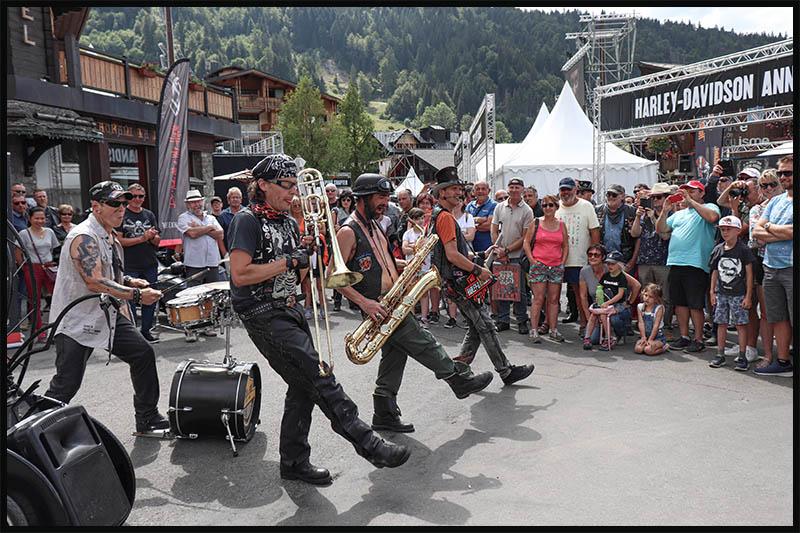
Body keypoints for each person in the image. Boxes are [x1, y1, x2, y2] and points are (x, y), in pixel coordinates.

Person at [228, 155, 411, 485]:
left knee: (302, 386)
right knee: (319, 376)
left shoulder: (285, 221)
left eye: (294, 186)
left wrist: (310, 253)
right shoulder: (247, 220)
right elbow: (240, 275)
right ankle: (368, 442)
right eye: (286, 186)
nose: (292, 193)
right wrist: (289, 261)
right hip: (261, 312)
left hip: (289, 307)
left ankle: (294, 461)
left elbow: (297, 275)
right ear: (264, 185)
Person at [336, 172, 494, 433]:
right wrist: (365, 304)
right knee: (422, 339)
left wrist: (409, 264)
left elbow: (382, 261)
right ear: (362, 198)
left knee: (395, 355)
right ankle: (457, 378)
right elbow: (336, 278)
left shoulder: (376, 225)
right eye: (380, 196)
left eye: (387, 197)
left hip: (391, 299)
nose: (385, 202)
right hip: (377, 305)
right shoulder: (347, 231)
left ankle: (384, 412)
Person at [44, 180, 168, 434]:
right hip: (76, 320)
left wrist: (131, 281)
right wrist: (135, 294)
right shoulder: (84, 236)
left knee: (143, 353)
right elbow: (94, 280)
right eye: (114, 203)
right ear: (96, 206)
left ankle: (147, 418)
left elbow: (107, 274)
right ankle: (31, 432)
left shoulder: (109, 234)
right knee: (65, 386)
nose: (121, 208)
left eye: (124, 202)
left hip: (105, 315)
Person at [428, 167, 534, 385]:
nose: (459, 193)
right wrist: (479, 270)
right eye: (454, 189)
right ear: (442, 193)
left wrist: (475, 255)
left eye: (460, 189)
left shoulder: (439, 215)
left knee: (477, 327)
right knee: (484, 324)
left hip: (453, 281)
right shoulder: (446, 217)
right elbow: (452, 255)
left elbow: (453, 252)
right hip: (459, 281)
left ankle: (460, 369)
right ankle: (505, 371)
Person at [656, 180, 721, 354]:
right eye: (685, 191)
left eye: (692, 191)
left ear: (701, 193)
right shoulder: (679, 214)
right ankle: (684, 337)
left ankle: (698, 339)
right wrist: (665, 210)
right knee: (680, 304)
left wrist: (691, 201)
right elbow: (661, 229)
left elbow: (713, 218)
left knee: (695, 304)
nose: (687, 194)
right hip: (676, 262)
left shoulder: (710, 206)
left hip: (696, 263)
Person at [737, 169, 784, 368]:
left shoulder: (786, 204)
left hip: (782, 263)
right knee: (761, 310)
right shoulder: (757, 209)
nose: (769, 188)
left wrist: (769, 231)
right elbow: (755, 239)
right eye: (764, 185)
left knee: (781, 312)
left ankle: (780, 354)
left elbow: (762, 234)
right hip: (761, 262)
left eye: (773, 184)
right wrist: (784, 233)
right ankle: (765, 354)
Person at [752, 155, 793, 377]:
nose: (783, 177)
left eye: (788, 173)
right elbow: (756, 233)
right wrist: (778, 230)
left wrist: (769, 229)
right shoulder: (776, 201)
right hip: (771, 267)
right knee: (778, 317)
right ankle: (783, 360)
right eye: (781, 173)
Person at [707, 216, 754, 370]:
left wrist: (748, 295)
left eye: (729, 229)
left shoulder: (743, 250)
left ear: (738, 231)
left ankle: (742, 356)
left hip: (738, 293)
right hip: (721, 293)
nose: (725, 232)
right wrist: (712, 291)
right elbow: (714, 271)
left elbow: (749, 273)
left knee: (741, 324)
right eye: (722, 229)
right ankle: (720, 354)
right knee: (721, 323)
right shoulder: (718, 249)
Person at [117, 183, 160, 344]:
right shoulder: (122, 213)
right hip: (130, 264)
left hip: (149, 263)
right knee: (130, 300)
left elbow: (157, 241)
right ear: (129, 197)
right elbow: (119, 241)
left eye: (140, 196)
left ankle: (146, 331)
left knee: (151, 298)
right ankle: (132, 334)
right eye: (134, 196)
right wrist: (142, 238)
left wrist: (152, 237)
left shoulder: (149, 214)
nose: (137, 199)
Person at [491, 177, 534, 334]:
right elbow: (494, 228)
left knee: (520, 290)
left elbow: (525, 236)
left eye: (517, 187)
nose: (514, 189)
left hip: (516, 255)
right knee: (502, 289)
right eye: (512, 186)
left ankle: (522, 320)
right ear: (508, 189)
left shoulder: (527, 210)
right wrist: (498, 250)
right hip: (500, 255)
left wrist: (507, 250)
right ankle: (503, 320)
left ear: (522, 189)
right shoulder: (499, 207)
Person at [556, 177, 600, 330]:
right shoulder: (555, 206)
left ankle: (585, 324)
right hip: (557, 259)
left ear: (575, 190)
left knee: (580, 294)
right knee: (552, 293)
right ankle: (549, 324)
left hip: (580, 259)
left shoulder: (586, 206)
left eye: (569, 189)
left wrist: (594, 256)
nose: (565, 192)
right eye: (563, 189)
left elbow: (594, 232)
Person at [522, 194, 568, 343]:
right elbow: (526, 242)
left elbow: (565, 245)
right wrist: (532, 260)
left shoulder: (561, 225)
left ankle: (553, 330)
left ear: (556, 207)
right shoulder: (535, 222)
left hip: (555, 265)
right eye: (545, 205)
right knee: (538, 299)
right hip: (539, 264)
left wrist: (562, 261)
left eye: (550, 205)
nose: (547, 208)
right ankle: (534, 330)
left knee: (554, 300)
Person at [578, 245, 641, 348]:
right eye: (590, 254)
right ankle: (594, 336)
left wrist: (628, 303)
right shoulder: (585, 271)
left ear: (603, 257)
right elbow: (583, 297)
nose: (592, 257)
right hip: (600, 306)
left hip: (616, 306)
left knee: (614, 318)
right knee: (594, 340)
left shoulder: (611, 268)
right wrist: (589, 316)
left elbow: (636, 285)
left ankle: (617, 335)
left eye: (596, 255)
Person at [630, 182, 673, 328]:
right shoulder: (645, 214)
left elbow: (664, 235)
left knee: (664, 296)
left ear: (667, 198)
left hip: (663, 260)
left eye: (659, 197)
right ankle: (647, 324)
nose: (655, 201)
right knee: (646, 295)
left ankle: (664, 325)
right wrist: (637, 217)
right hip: (645, 259)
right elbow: (634, 233)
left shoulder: (671, 214)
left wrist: (653, 217)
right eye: (653, 197)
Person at [15, 207, 60, 341]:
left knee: (56, 298)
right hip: (32, 268)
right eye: (37, 218)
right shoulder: (24, 233)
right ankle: (38, 330)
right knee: (35, 300)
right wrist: (24, 268)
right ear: (30, 219)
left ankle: (56, 328)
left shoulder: (50, 232)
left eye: (42, 218)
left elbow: (53, 248)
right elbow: (18, 252)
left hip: (49, 267)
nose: (40, 221)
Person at [583, 250, 629, 351]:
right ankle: (587, 338)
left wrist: (607, 303)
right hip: (604, 302)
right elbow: (600, 289)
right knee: (594, 314)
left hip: (617, 304)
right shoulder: (606, 275)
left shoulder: (622, 277)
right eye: (608, 263)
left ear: (620, 265)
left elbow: (620, 294)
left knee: (604, 314)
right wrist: (599, 301)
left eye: (613, 264)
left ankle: (609, 338)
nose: (610, 266)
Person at [178, 189, 225, 285]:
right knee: (195, 295)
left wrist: (198, 228)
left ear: (202, 202)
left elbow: (220, 235)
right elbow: (193, 234)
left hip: (213, 263)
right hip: (194, 265)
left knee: (214, 294)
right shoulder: (183, 217)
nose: (197, 204)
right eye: (193, 202)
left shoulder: (211, 218)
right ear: (187, 205)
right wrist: (210, 227)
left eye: (198, 201)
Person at [595, 184, 639, 272]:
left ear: (622, 196)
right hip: (604, 259)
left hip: (624, 259)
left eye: (614, 195)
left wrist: (632, 261)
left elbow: (638, 238)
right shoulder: (597, 210)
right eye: (608, 195)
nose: (611, 197)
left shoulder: (631, 211)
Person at [402, 208, 432, 327]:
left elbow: (427, 248)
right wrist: (416, 247)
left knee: (424, 293)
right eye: (416, 218)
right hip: (411, 266)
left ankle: (424, 318)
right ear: (411, 220)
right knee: (411, 293)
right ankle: (413, 318)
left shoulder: (427, 232)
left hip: (424, 267)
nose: (420, 221)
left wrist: (412, 246)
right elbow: (404, 249)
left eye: (421, 218)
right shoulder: (408, 233)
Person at [635, 283, 667, 356]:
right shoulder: (640, 307)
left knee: (648, 350)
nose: (647, 298)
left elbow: (656, 325)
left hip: (657, 337)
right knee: (638, 349)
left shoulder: (659, 308)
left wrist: (651, 339)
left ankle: (664, 347)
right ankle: (645, 342)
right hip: (645, 335)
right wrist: (643, 337)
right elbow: (641, 323)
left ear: (656, 299)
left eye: (651, 297)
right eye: (646, 295)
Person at [465, 181, 497, 254]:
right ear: (473, 192)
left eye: (483, 189)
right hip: (471, 249)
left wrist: (472, 226)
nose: (480, 191)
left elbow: (489, 225)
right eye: (477, 189)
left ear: (488, 191)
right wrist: (479, 219)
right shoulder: (469, 206)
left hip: (487, 248)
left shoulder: (494, 205)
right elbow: (465, 224)